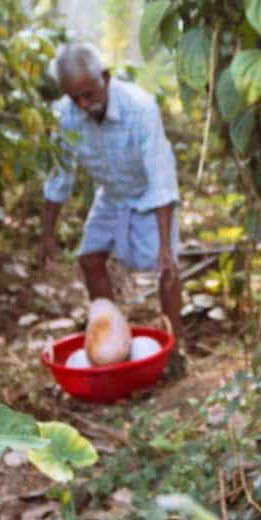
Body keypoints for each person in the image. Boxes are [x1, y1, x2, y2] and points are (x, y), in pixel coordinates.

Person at [39, 43, 184, 347]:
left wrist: (165, 249)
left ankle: (175, 349)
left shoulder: (140, 108)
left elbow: (161, 178)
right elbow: (60, 176)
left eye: (88, 94)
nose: (82, 104)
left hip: (148, 194)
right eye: (73, 97)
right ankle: (110, 339)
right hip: (111, 195)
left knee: (166, 270)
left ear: (104, 77)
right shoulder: (65, 117)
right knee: (89, 259)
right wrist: (47, 235)